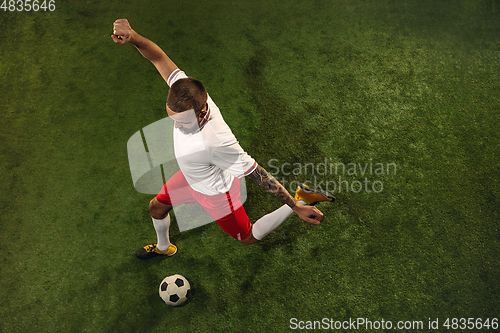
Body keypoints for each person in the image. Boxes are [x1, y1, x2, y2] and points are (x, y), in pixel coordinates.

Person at [111, 19, 334, 259]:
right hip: (190, 176)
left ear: (203, 111)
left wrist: (294, 206)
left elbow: (258, 175)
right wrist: (133, 37)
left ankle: (301, 199)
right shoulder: (185, 91)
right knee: (156, 207)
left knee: (247, 237)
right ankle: (164, 248)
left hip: (217, 193)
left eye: (184, 123)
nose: (178, 126)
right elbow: (158, 58)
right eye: (173, 119)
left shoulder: (217, 141)